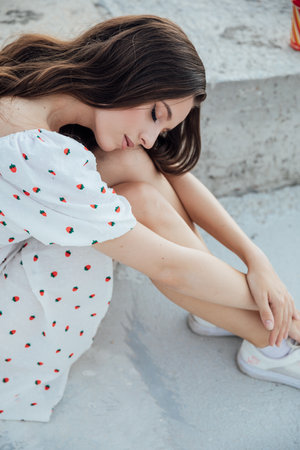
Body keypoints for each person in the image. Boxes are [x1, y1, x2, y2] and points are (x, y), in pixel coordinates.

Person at [0, 15, 299, 422]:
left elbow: (168, 170)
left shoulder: (48, 89)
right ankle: (273, 340)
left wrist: (255, 258)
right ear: (130, 70)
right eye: (156, 114)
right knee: (122, 233)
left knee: (136, 173)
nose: (150, 135)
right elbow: (169, 266)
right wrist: (284, 309)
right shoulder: (35, 153)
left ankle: (223, 311)